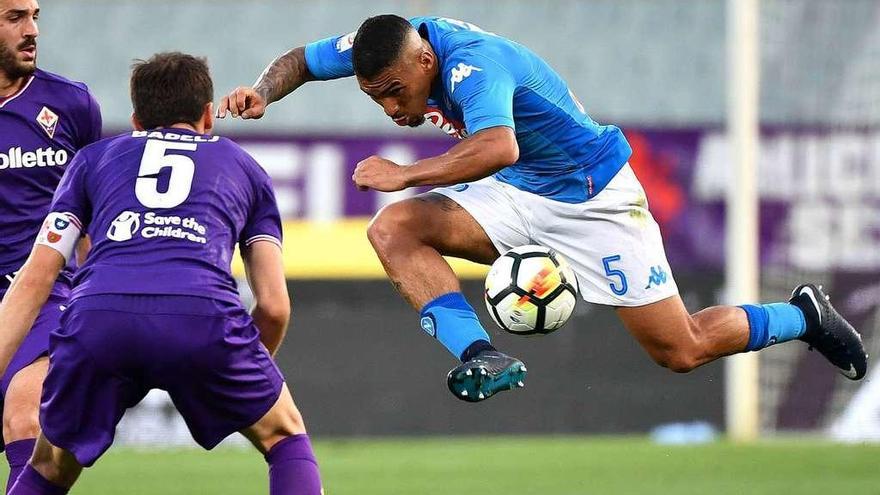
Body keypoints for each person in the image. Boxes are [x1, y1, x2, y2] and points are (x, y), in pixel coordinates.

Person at [218, 14, 867, 403]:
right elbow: (301, 59)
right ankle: (479, 354)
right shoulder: (388, 45)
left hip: (594, 198)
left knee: (680, 347)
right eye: (375, 98)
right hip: (521, 192)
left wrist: (406, 171)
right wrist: (264, 91)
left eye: (395, 92)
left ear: (424, 58)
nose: (391, 107)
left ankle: (800, 314)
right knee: (395, 230)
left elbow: (499, 144)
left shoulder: (474, 67)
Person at [0, 52, 322, 494]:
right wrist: (237, 373)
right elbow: (273, 305)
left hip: (99, 318)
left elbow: (36, 278)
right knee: (284, 436)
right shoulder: (245, 167)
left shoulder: (93, 160)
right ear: (208, 115)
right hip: (202, 315)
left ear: (135, 120)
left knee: (49, 466)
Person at [0, 0, 101, 489]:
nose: (32, 30)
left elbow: (92, 219)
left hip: (45, 304)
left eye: (35, 15)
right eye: (15, 18)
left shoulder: (72, 105)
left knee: (27, 416)